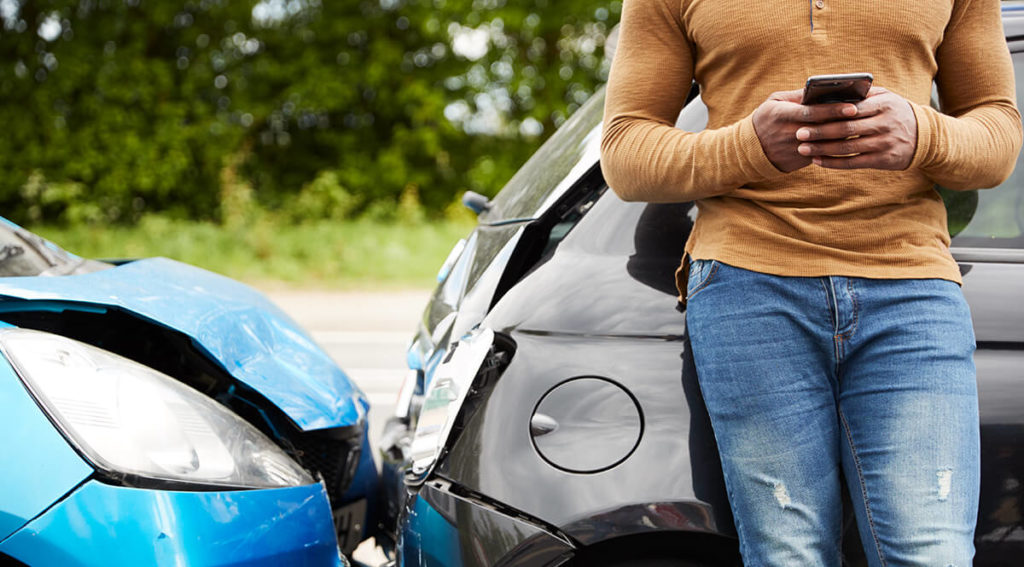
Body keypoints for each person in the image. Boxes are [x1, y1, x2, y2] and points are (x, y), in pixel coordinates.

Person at [600, 1, 1023, 566]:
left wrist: (921, 133)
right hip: (747, 287)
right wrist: (749, 144)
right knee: (788, 556)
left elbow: (998, 136)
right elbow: (625, 153)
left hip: (912, 288)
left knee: (932, 554)